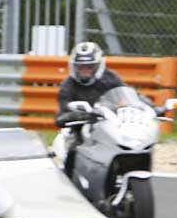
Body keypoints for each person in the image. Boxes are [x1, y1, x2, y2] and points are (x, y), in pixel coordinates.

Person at [53, 41, 125, 175]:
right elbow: (61, 114)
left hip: (109, 125)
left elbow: (126, 95)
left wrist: (150, 107)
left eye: (89, 66)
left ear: (97, 66)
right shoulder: (68, 85)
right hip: (80, 130)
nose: (85, 70)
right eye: (81, 66)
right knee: (73, 151)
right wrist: (80, 115)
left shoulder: (111, 78)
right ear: (74, 67)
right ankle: (70, 182)